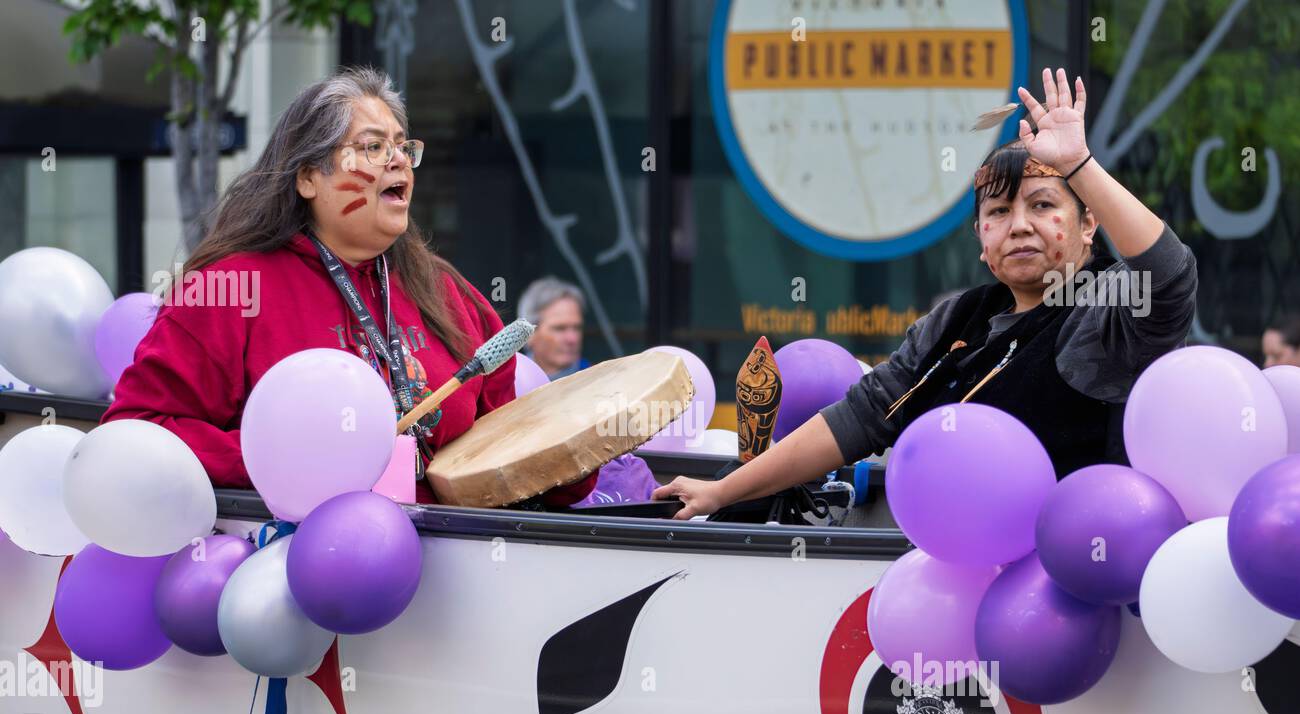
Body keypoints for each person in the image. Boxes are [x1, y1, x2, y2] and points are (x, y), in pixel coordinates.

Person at [655, 69, 1197, 519]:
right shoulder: (957, 321)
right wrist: (721, 491)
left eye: (1043, 205)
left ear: (1086, 226)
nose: (1021, 226)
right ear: (982, 242)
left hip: (1067, 583)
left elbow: (1169, 278)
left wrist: (1078, 165)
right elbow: (858, 419)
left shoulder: (1104, 310)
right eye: (999, 212)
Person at [102, 67, 596, 507]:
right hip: (296, 575)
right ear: (309, 178)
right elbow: (137, 430)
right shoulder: (231, 289)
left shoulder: (449, 293)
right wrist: (281, 461)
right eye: (372, 147)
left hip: (453, 577)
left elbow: (507, 457)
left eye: (403, 146)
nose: (398, 160)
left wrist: (589, 455)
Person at [517, 276, 589, 379]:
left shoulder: (601, 383)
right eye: (559, 328)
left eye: (577, 328)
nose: (572, 339)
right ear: (529, 334)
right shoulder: (507, 386)